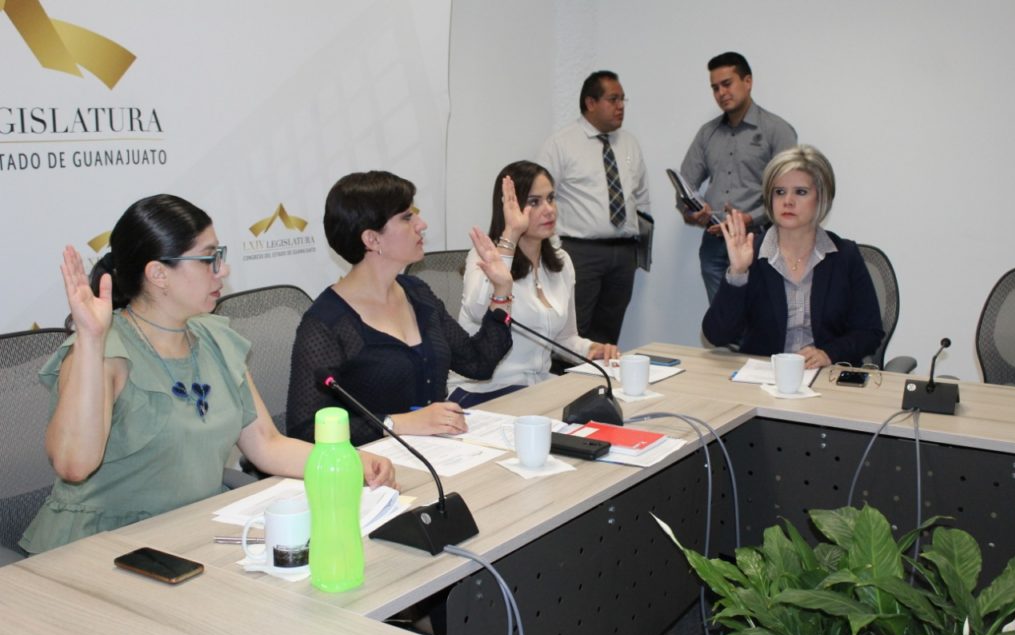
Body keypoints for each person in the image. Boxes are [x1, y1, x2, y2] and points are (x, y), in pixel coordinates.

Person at [19, 195, 395, 555]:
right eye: (208, 259)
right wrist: (90, 338)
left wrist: (347, 461)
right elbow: (73, 465)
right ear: (158, 274)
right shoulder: (102, 351)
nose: (223, 270)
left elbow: (267, 444)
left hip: (192, 532)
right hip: (105, 546)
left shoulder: (215, 338)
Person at [286, 171, 514, 447]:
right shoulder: (326, 323)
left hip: (441, 452)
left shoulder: (417, 293)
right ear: (372, 239)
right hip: (373, 463)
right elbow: (303, 429)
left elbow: (478, 363)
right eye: (407, 217)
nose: (422, 224)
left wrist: (502, 291)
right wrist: (397, 424)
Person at [449, 161, 618, 406]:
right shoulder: (485, 257)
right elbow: (478, 312)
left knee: (608, 407)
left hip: (538, 389)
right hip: (485, 391)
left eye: (551, 198)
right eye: (534, 202)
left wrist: (591, 349)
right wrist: (511, 234)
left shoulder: (561, 262)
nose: (549, 210)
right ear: (510, 208)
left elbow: (564, 338)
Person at [701, 145, 883, 368]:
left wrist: (830, 353)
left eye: (800, 192)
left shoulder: (844, 256)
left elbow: (869, 332)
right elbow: (717, 335)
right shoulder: (752, 253)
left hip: (825, 377)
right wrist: (738, 273)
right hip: (764, 378)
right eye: (779, 192)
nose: (787, 201)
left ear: (821, 198)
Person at [537, 70, 650, 344]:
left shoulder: (629, 143)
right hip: (579, 253)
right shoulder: (561, 144)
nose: (621, 106)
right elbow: (539, 199)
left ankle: (600, 375)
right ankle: (567, 376)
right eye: (613, 99)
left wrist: (639, 251)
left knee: (608, 339)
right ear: (590, 102)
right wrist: (554, 251)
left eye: (623, 99)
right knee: (573, 335)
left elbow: (642, 198)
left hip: (623, 254)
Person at [680, 52, 798, 303]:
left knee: (760, 318)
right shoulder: (707, 133)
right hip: (714, 243)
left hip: (759, 241)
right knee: (722, 319)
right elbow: (686, 183)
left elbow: (789, 193)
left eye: (727, 84)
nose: (721, 93)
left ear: (747, 81)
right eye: (715, 88)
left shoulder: (777, 130)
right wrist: (691, 212)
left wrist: (751, 218)